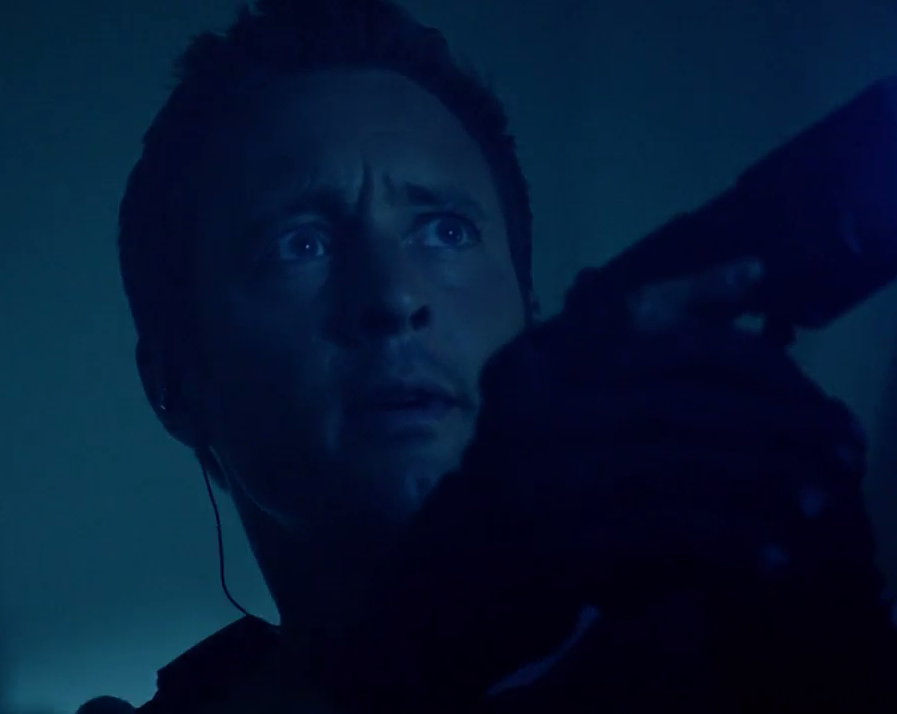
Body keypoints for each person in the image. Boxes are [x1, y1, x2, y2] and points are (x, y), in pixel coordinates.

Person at [78, 0, 897, 712]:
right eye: (300, 244)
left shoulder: (729, 656)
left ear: (527, 312)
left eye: (446, 231)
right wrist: (414, 649)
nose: (393, 296)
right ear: (173, 383)